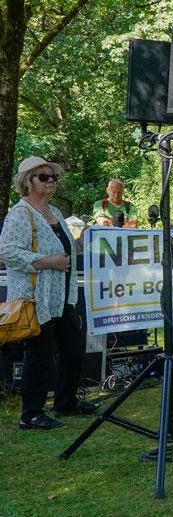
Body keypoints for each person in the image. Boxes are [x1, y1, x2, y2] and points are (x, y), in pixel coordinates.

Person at [0, 157, 98, 429]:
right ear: (27, 182)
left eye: (53, 176)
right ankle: (31, 414)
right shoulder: (20, 214)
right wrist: (47, 262)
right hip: (36, 297)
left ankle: (65, 403)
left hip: (62, 296)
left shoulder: (53, 211)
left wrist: (84, 240)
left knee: (73, 347)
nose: (51, 180)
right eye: (43, 177)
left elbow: (65, 249)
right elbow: (6, 251)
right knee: (40, 354)